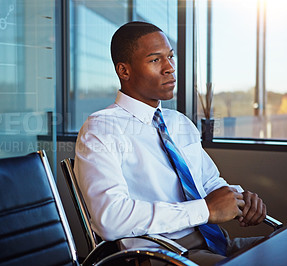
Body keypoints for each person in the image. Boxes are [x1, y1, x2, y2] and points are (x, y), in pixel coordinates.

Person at [74, 21, 266, 265]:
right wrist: (205, 210)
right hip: (164, 255)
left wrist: (240, 198)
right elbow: (110, 219)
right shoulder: (101, 129)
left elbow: (208, 182)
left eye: (171, 57)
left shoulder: (179, 122)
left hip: (216, 242)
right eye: (155, 60)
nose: (170, 68)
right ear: (124, 71)